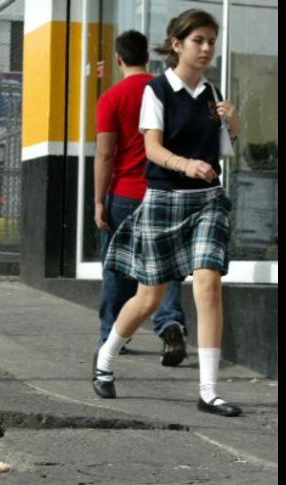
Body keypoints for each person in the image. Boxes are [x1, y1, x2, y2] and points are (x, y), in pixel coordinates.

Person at [94, 9, 242, 417]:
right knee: (148, 297)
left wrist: (234, 122)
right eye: (199, 40)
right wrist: (186, 164)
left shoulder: (212, 93)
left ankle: (209, 391)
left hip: (208, 198)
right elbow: (153, 149)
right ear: (177, 44)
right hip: (164, 198)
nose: (207, 48)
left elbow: (225, 148)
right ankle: (106, 358)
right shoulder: (155, 91)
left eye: (212, 40)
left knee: (208, 283)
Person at [94, 30, 187, 366]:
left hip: (125, 195)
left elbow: (105, 155)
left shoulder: (112, 98)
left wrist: (99, 202)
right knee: (167, 266)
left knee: (118, 269)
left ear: (119, 59)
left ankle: (112, 335)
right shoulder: (166, 91)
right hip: (166, 192)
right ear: (148, 57)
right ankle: (170, 324)